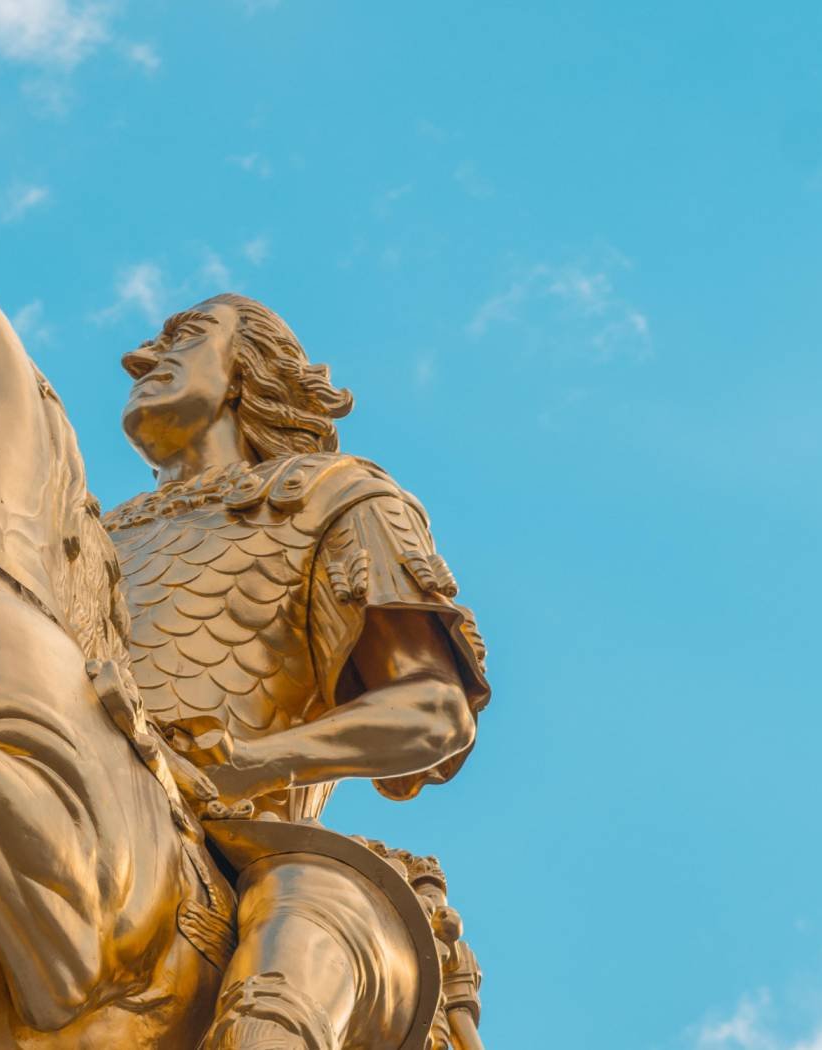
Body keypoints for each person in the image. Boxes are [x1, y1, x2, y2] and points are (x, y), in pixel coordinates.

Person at [102, 294, 491, 1049]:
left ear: (248, 373)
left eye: (186, 336)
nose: (141, 358)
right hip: (57, 786)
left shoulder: (333, 495)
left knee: (307, 921)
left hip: (229, 839)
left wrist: (252, 762)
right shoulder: (86, 531)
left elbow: (435, 712)